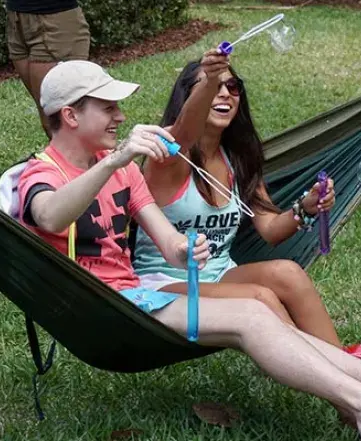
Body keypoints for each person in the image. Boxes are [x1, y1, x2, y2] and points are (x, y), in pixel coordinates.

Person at [17, 58, 361, 441]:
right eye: (107, 108)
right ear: (71, 116)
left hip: (136, 296)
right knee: (255, 310)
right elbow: (51, 217)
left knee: (260, 306)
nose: (119, 116)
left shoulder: (128, 173)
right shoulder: (41, 175)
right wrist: (118, 159)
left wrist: (187, 249)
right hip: (95, 305)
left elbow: (169, 243)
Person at [133, 50, 341, 347]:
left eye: (232, 87)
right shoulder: (168, 158)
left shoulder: (237, 159)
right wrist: (212, 76)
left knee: (289, 273)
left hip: (220, 276)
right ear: (188, 98)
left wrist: (304, 208)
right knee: (260, 297)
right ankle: (340, 381)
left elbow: (270, 230)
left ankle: (348, 367)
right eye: (212, 85)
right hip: (165, 284)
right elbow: (183, 133)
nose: (225, 94)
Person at [6, 0, 90, 138]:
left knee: (62, 121)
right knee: (50, 120)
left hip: (54, 19)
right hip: (16, 18)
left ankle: (104, 159)